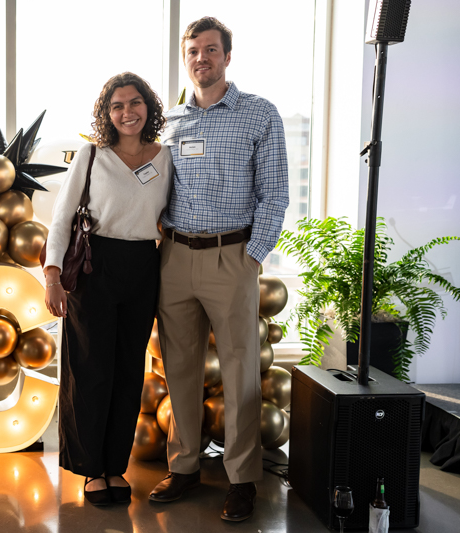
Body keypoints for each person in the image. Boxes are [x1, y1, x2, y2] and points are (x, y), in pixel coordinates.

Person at [148, 17, 289, 522]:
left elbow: (275, 195)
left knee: (240, 372)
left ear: (228, 57)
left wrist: (251, 259)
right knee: (179, 369)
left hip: (234, 256)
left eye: (211, 50)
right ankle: (184, 467)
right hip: (175, 257)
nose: (201, 58)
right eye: (193, 51)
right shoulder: (166, 123)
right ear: (185, 58)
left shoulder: (259, 115)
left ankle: (242, 479)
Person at [43, 72, 172, 506]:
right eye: (117, 106)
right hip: (94, 266)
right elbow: (62, 218)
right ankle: (91, 469)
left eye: (134, 103)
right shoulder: (92, 155)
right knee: (90, 369)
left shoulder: (166, 156)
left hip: (142, 265)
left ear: (148, 108)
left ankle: (115, 465)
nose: (126, 112)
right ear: (107, 113)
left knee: (127, 372)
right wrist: (52, 275)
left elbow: (171, 216)